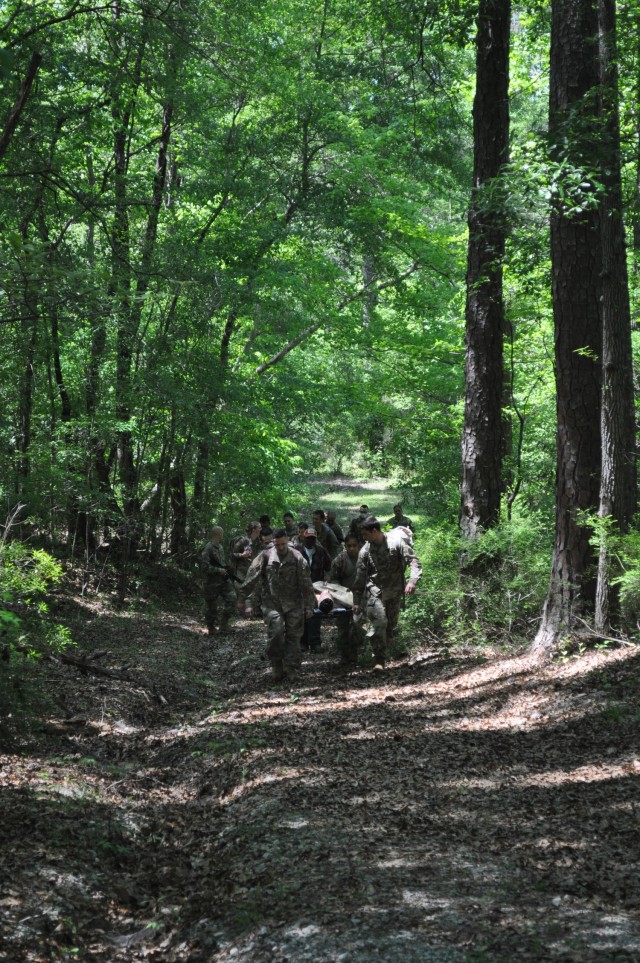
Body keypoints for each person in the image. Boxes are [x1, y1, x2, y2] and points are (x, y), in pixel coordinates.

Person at [237, 528, 316, 682]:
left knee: (294, 636)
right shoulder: (265, 557)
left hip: (294, 603)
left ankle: (291, 667)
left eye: (283, 544)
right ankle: (276, 664)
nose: (280, 547)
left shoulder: (297, 558)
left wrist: (309, 606)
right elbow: (251, 579)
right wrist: (242, 599)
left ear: (287, 541)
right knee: (276, 633)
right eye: (277, 545)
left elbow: (307, 584)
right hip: (272, 603)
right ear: (273, 542)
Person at [352, 515, 422, 669]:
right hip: (375, 592)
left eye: (365, 534)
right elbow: (360, 578)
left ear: (375, 531)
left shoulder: (396, 542)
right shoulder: (365, 551)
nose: (363, 538)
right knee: (380, 624)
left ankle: (386, 651)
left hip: (394, 591)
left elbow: (414, 560)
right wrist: (356, 601)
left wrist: (412, 581)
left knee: (390, 627)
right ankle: (379, 660)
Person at [329, 533, 365, 668]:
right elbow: (333, 579)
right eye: (348, 546)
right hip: (343, 599)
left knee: (357, 627)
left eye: (354, 546)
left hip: (361, 598)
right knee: (343, 629)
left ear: (359, 546)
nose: (351, 548)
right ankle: (344, 656)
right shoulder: (339, 560)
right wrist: (341, 592)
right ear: (345, 546)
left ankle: (355, 655)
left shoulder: (365, 558)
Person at [299, 528, 331, 651]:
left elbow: (329, 566)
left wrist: (327, 579)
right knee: (302, 614)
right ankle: (303, 642)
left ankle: (315, 643)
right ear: (304, 538)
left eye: (313, 538)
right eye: (308, 538)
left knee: (315, 615)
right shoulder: (297, 551)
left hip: (317, 587)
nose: (310, 540)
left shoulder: (321, 551)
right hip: (300, 587)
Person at [201, 525, 236, 635]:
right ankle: (211, 628)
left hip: (223, 580)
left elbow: (221, 562)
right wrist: (218, 570)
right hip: (211, 583)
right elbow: (204, 567)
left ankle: (224, 624)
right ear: (217, 534)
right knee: (212, 606)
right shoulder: (208, 548)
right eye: (221, 533)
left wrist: (226, 567)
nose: (222, 535)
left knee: (232, 598)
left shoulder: (220, 547)